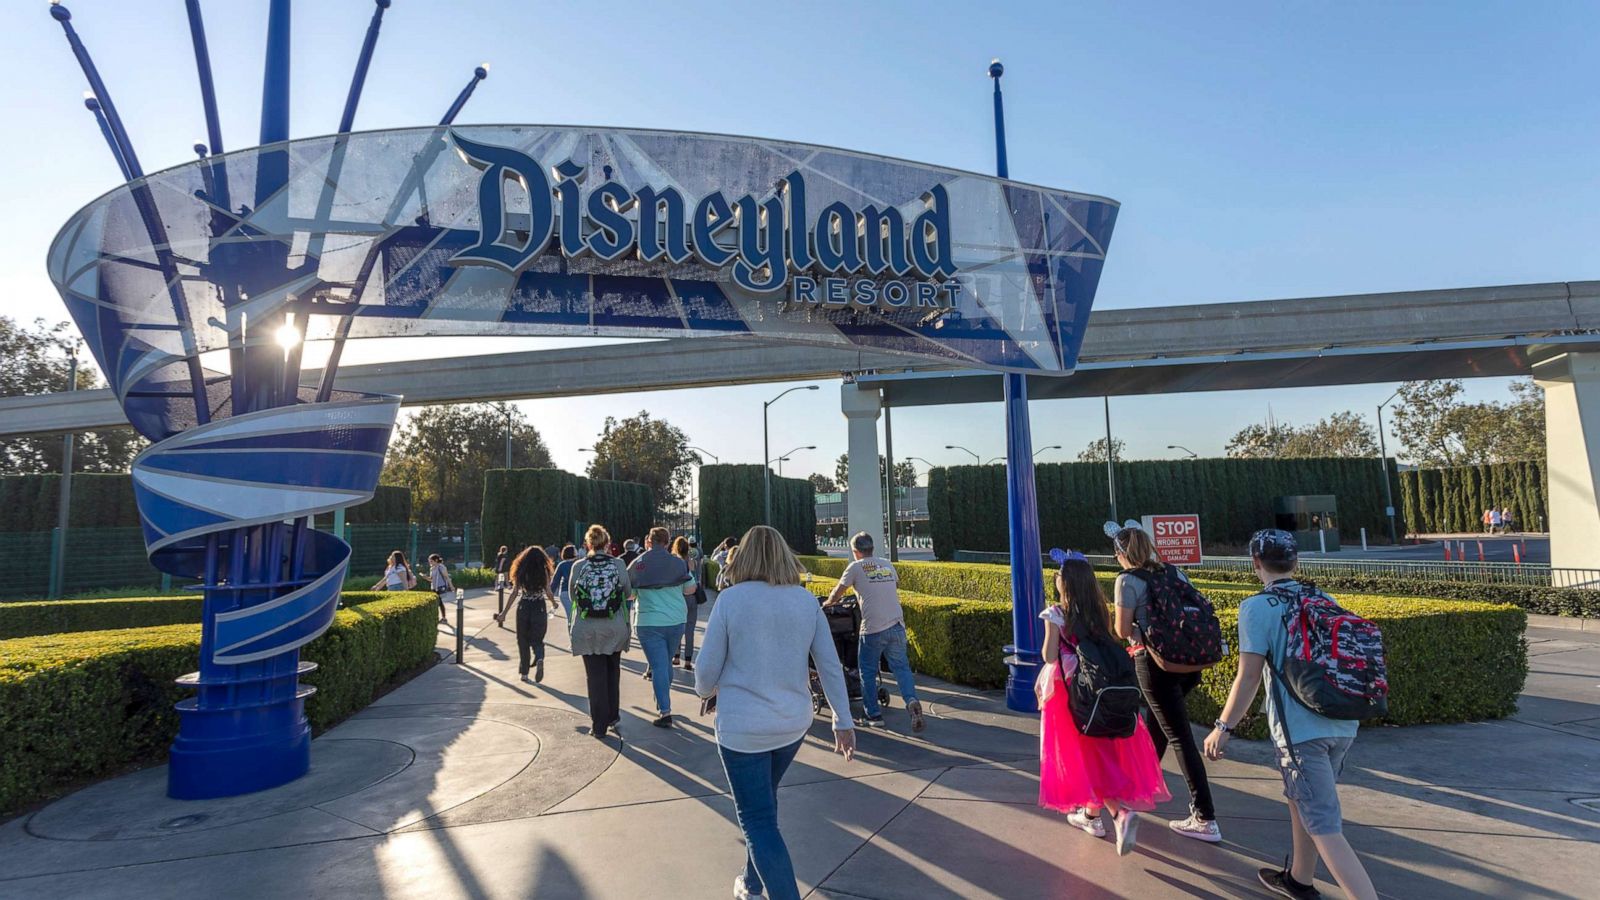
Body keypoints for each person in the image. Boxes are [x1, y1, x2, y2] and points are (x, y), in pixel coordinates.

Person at [1205, 529, 1378, 900]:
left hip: (1301, 733)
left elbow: (1248, 676)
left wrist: (1223, 726)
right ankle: (1300, 880)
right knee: (1302, 799)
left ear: (1255, 563)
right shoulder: (1322, 597)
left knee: (1324, 824)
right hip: (1342, 721)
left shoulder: (1257, 607)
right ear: (1296, 562)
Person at [695, 525, 856, 900]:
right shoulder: (803, 600)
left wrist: (706, 692)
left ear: (745, 556)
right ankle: (750, 883)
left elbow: (705, 672)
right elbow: (829, 666)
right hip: (791, 725)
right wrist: (842, 720)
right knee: (764, 805)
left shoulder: (731, 600)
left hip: (741, 728)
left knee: (757, 819)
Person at [1040, 555, 1171, 857]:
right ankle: (1090, 816)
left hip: (1069, 691)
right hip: (1102, 688)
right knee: (1102, 749)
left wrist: (1053, 630)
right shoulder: (1099, 612)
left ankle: (1118, 814)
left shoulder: (1057, 613)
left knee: (1085, 756)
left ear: (1065, 582)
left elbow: (1049, 656)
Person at [1111, 523, 1219, 842]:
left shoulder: (1127, 580)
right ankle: (1139, 789)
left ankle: (1205, 816)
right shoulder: (1174, 573)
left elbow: (1121, 629)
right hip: (1189, 662)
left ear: (1121, 554)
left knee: (1179, 736)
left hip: (1155, 663)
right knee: (1159, 725)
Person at [825, 531, 925, 733]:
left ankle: (873, 714)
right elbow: (894, 585)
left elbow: (838, 592)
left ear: (855, 552)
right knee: (901, 668)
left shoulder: (854, 567)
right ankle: (911, 700)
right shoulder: (886, 564)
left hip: (872, 628)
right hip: (897, 625)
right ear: (872, 548)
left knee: (867, 672)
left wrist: (827, 603)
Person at [569, 524, 633, 740]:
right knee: (612, 671)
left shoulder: (578, 565)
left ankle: (599, 726)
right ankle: (613, 715)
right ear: (607, 543)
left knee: (594, 676)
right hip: (614, 626)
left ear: (588, 543)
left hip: (587, 628)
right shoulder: (618, 564)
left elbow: (573, 596)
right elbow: (627, 591)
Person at [628, 526, 696, 728]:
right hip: (676, 620)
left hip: (649, 622)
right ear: (667, 542)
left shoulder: (638, 563)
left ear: (649, 541)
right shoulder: (678, 563)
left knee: (658, 666)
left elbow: (629, 594)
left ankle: (665, 711)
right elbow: (690, 589)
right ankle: (663, 700)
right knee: (665, 663)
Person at [501, 545, 559, 683]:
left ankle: (524, 672)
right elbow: (548, 591)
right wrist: (554, 603)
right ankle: (539, 657)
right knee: (537, 638)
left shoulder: (521, 570)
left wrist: (504, 612)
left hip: (524, 606)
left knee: (522, 639)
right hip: (539, 606)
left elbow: (515, 592)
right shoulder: (543, 570)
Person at [672, 535, 705, 670]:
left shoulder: (673, 561)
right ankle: (688, 660)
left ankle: (676, 656)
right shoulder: (691, 561)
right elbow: (696, 575)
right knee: (690, 629)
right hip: (691, 596)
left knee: (678, 627)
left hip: (678, 597)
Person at [551, 544, 578, 618]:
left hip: (564, 592)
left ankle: (571, 628)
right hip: (577, 593)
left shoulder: (562, 565)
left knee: (570, 616)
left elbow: (555, 581)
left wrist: (550, 595)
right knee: (576, 616)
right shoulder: (578, 564)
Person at [427, 553, 455, 624]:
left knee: (439, 602)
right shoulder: (432, 568)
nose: (430, 563)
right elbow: (431, 579)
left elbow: (447, 577)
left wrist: (451, 586)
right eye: (429, 561)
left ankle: (443, 618)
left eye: (431, 561)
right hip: (434, 587)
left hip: (440, 587)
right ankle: (442, 618)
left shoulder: (441, 567)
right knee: (438, 603)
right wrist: (425, 577)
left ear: (436, 560)